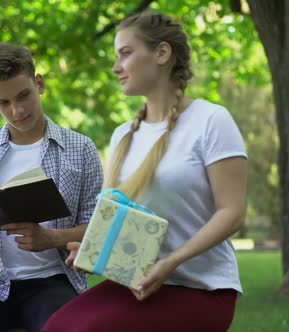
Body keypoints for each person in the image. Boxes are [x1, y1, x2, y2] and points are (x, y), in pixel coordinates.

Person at [42, 11, 247, 332]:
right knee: (56, 326)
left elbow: (232, 213)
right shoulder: (124, 135)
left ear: (162, 53)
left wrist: (170, 263)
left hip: (201, 288)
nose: (116, 67)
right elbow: (126, 219)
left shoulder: (211, 121)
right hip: (138, 284)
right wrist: (97, 248)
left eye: (125, 53)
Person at [0, 42, 103, 332]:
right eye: (3, 103)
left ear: (39, 84)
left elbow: (98, 226)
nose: (17, 111)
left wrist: (52, 237)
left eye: (23, 96)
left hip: (52, 281)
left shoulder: (80, 149)